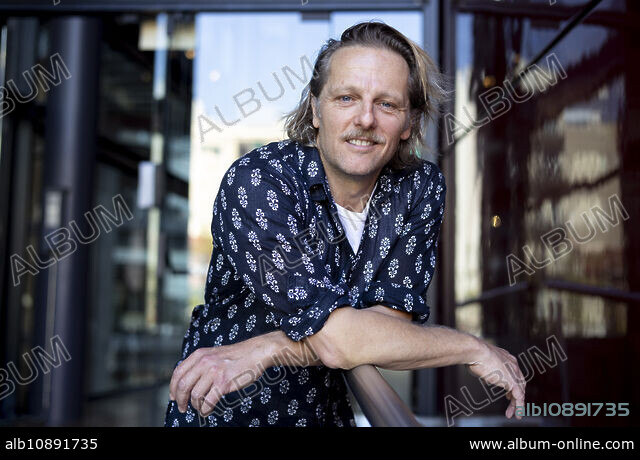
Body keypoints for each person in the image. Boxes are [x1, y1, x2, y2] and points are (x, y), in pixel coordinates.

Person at [164, 21, 525, 427]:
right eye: (346, 98)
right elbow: (341, 341)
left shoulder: (418, 188)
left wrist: (266, 348)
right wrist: (470, 347)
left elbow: (388, 324)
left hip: (328, 415)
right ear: (316, 109)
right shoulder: (261, 181)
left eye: (387, 104)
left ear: (408, 123)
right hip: (230, 413)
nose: (365, 119)